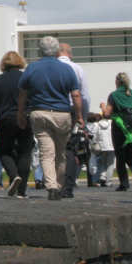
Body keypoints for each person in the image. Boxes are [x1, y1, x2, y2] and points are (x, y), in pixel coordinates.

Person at [17, 36, 83, 201]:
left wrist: (20, 113)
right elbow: (76, 95)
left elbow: (22, 94)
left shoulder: (32, 68)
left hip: (40, 112)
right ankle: (58, 186)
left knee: (46, 152)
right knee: (61, 153)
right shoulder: (67, 69)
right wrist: (79, 115)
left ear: (40, 50)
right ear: (57, 51)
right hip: (62, 114)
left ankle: (51, 186)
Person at [0, 51, 33, 198]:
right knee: (25, 153)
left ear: (4, 64)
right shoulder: (26, 77)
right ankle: (21, 191)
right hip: (24, 118)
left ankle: (14, 175)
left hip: (5, 119)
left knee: (5, 151)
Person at [100, 72, 132, 191]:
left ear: (117, 82)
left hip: (120, 129)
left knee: (120, 156)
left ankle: (124, 183)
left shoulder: (114, 95)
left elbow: (107, 114)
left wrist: (102, 106)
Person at [58, 43, 91, 198]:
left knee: (53, 149)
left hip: (53, 109)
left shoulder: (51, 68)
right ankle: (68, 186)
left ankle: (54, 183)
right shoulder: (77, 68)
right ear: (69, 54)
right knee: (70, 149)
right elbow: (83, 96)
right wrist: (82, 117)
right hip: (71, 111)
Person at [87, 113, 115, 187]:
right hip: (111, 146)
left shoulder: (97, 124)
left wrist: (93, 144)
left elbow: (94, 135)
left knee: (102, 162)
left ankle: (102, 176)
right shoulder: (112, 123)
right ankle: (108, 181)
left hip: (101, 146)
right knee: (110, 164)